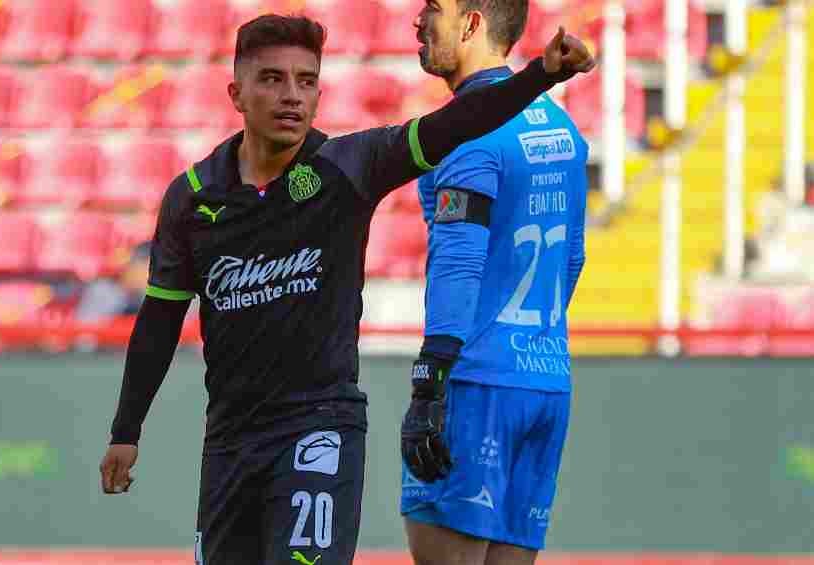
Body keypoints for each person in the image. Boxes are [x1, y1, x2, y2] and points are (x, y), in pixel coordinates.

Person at [99, 12, 593, 565]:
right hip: (229, 443)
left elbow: (456, 124)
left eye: (306, 81)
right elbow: (161, 319)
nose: (292, 96)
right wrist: (127, 429)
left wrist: (539, 76)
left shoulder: (349, 167)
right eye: (273, 79)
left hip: (320, 431)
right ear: (236, 94)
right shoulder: (191, 198)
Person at [398, 2, 590, 564]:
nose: (418, 21)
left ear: (472, 23)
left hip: (476, 383)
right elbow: (574, 256)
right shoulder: (563, 128)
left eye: (434, 9)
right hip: (547, 380)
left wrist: (429, 381)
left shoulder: (470, 135)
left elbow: (459, 260)